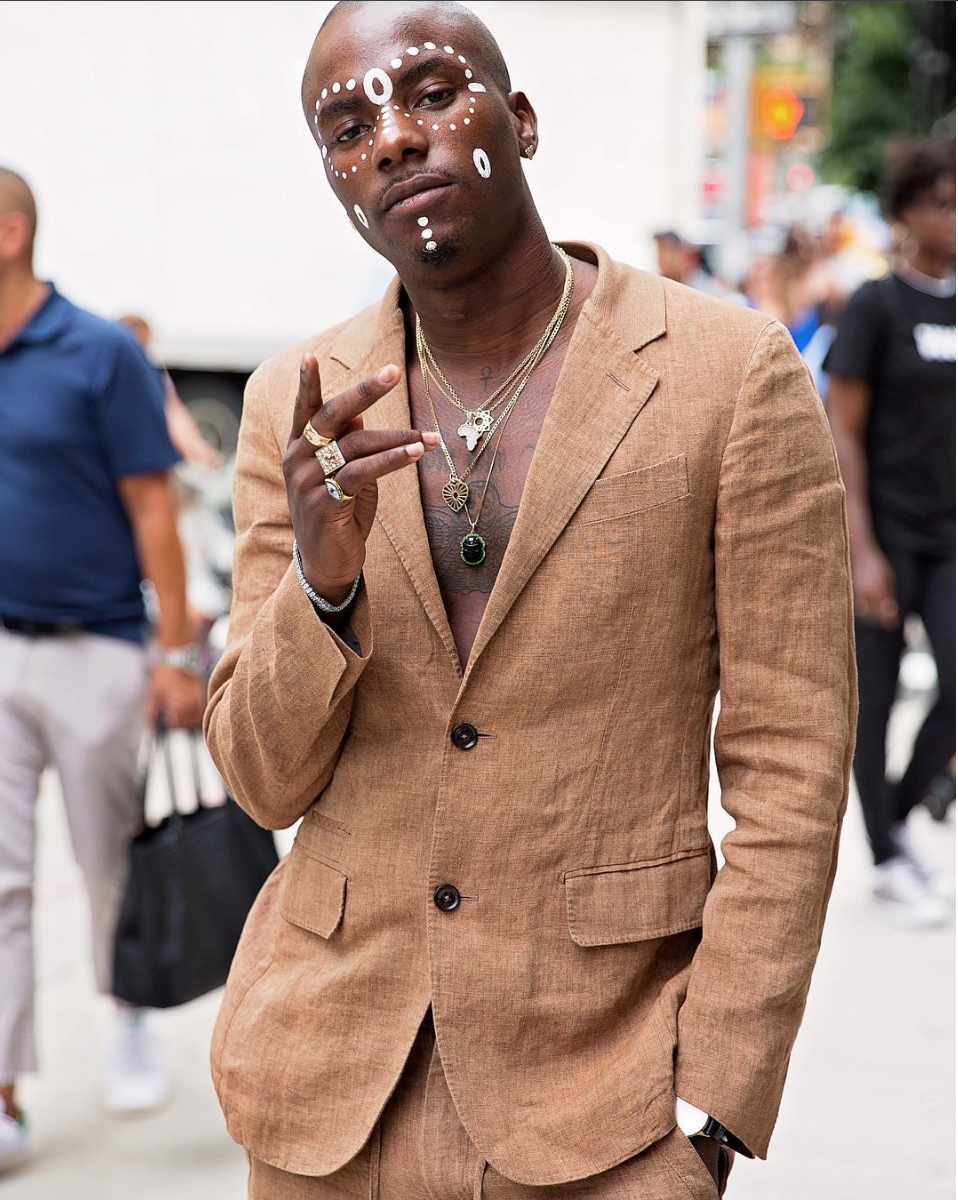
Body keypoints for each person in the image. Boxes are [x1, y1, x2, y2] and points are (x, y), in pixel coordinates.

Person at [204, 5, 856, 1197]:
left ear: (521, 120)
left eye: (431, 96)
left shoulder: (727, 374)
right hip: (327, 1094)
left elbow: (792, 757)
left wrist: (717, 1094)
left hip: (605, 1097)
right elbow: (261, 779)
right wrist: (323, 583)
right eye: (348, 128)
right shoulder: (293, 407)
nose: (393, 141)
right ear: (337, 182)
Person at [0, 168, 206, 1169]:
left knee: (107, 860)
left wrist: (173, 653)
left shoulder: (98, 353)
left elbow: (154, 509)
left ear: (9, 232)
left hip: (96, 649)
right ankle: (0, 1091)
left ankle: (128, 1012)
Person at [825, 139, 956, 927]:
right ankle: (883, 857)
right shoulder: (878, 306)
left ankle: (902, 817)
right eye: (943, 202)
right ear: (906, 212)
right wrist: (861, 550)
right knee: (869, 708)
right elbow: (841, 432)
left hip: (949, 538)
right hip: (884, 534)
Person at [653, 229, 729, 298]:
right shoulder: (656, 285)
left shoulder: (704, 286)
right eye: (659, 252)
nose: (662, 259)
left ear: (681, 254)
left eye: (667, 252)